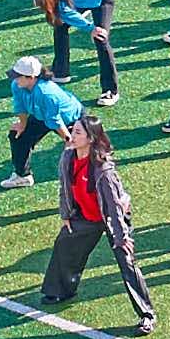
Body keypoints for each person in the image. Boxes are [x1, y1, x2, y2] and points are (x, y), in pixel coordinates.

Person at [39, 116, 156, 326]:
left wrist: (121, 237)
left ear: (91, 138)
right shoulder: (68, 157)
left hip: (112, 219)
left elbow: (114, 207)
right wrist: (66, 214)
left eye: (77, 132)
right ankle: (61, 291)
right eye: (73, 131)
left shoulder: (103, 170)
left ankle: (146, 314)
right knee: (64, 243)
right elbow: (64, 187)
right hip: (85, 216)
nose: (71, 136)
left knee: (127, 263)